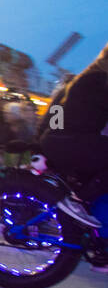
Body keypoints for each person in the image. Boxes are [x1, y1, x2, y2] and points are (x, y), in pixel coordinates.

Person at [39, 42, 108, 234]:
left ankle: (98, 245)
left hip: (60, 141)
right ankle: (78, 198)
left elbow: (54, 115)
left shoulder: (80, 81)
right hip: (69, 143)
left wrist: (44, 139)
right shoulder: (99, 81)